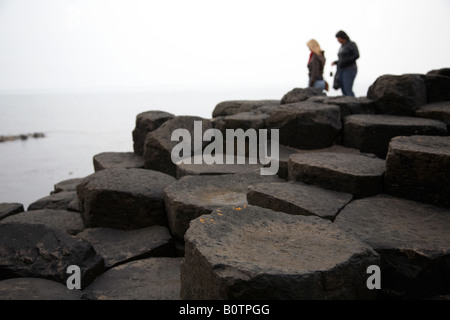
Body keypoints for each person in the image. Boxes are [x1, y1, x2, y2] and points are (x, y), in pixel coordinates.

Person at [331, 30, 359, 96]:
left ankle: (353, 103)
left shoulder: (351, 44)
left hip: (350, 68)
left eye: (338, 38)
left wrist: (346, 61)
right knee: (343, 87)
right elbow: (341, 59)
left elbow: (356, 55)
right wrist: (336, 62)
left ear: (343, 37)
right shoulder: (342, 46)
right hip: (341, 69)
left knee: (347, 88)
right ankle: (346, 104)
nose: (338, 40)